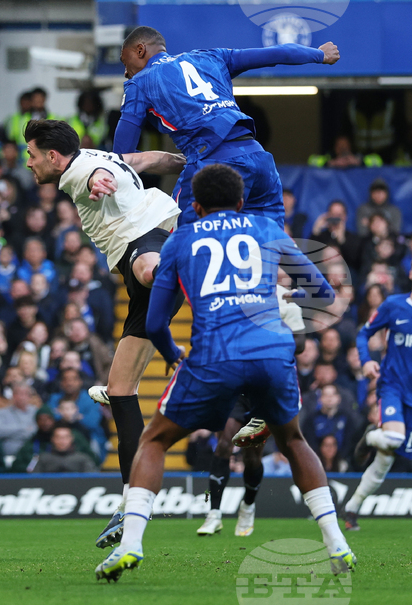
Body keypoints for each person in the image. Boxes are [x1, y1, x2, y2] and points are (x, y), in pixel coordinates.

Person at [96, 164, 355, 582]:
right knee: (293, 440)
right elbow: (323, 292)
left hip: (215, 354)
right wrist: (281, 299)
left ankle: (130, 546)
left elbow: (158, 323)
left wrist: (172, 354)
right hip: (272, 352)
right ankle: (336, 542)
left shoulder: (181, 238)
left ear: (194, 205)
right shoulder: (266, 228)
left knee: (155, 440)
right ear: (240, 201)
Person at [22, 118, 185, 548]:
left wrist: (100, 183)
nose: (29, 163)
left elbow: (102, 176)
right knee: (120, 390)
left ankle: (188, 268)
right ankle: (132, 502)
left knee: (149, 270)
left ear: (53, 157)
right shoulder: (100, 155)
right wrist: (184, 161)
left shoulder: (83, 171)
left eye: (32, 155)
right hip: (147, 250)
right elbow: (145, 159)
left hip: (144, 244)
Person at [113, 26, 340, 227]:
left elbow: (121, 155)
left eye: (125, 62)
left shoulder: (139, 83)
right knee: (268, 253)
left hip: (212, 168)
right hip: (260, 162)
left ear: (140, 50)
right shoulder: (211, 56)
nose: (126, 72)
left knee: (183, 248)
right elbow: (274, 53)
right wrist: (318, 54)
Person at [196, 282, 307, 538]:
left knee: (251, 455)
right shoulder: (232, 295)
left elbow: (300, 344)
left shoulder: (285, 298)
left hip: (267, 385)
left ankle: (247, 506)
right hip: (237, 381)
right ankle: (213, 514)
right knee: (224, 443)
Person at [344, 252, 412, 530]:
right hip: (391, 385)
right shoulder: (394, 305)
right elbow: (363, 334)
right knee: (393, 438)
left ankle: (351, 509)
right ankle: (372, 436)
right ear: (410, 274)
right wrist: (367, 360)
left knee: (384, 464)